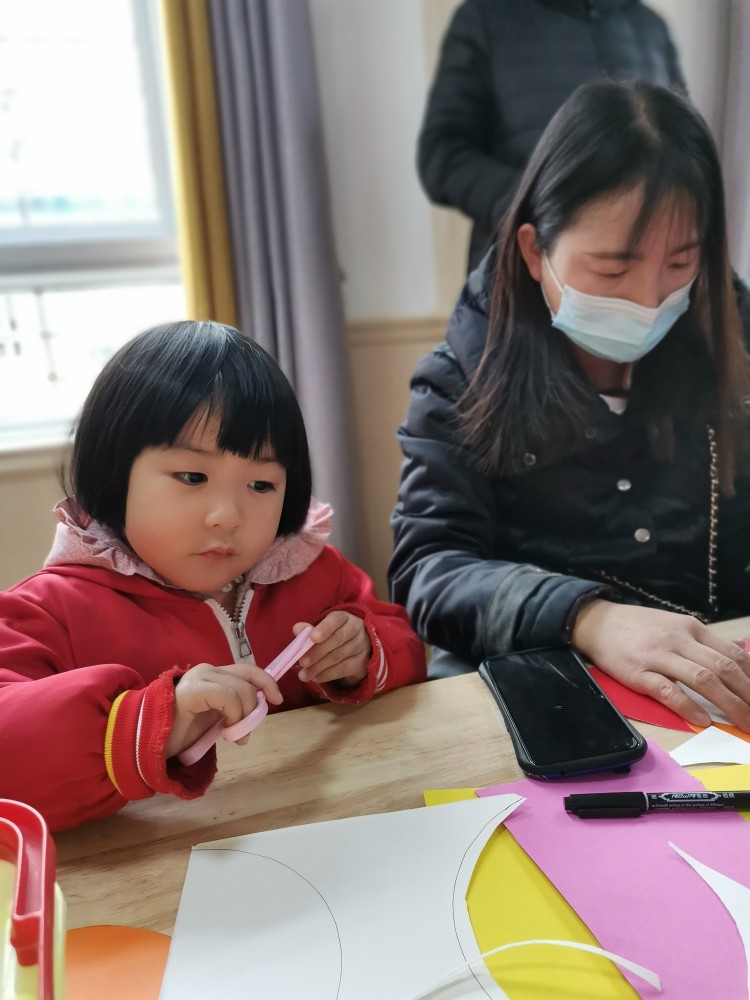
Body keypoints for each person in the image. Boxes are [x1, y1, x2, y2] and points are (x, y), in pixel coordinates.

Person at [390, 80, 750, 731]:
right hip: (545, 693)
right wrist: (587, 617)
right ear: (535, 251)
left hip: (718, 688)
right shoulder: (463, 378)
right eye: (612, 271)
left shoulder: (731, 338)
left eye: (680, 263)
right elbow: (429, 571)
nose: (648, 299)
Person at [0, 322, 425, 831]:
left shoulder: (311, 572)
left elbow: (406, 647)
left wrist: (364, 654)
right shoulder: (51, 609)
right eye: (192, 477)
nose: (228, 516)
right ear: (114, 469)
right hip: (160, 863)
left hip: (323, 832)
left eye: (261, 484)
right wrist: (149, 725)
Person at [418, 0, 686, 271]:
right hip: (519, 269)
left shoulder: (651, 27)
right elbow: (441, 152)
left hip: (641, 271)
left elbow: (685, 149)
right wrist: (535, 203)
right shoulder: (485, 17)